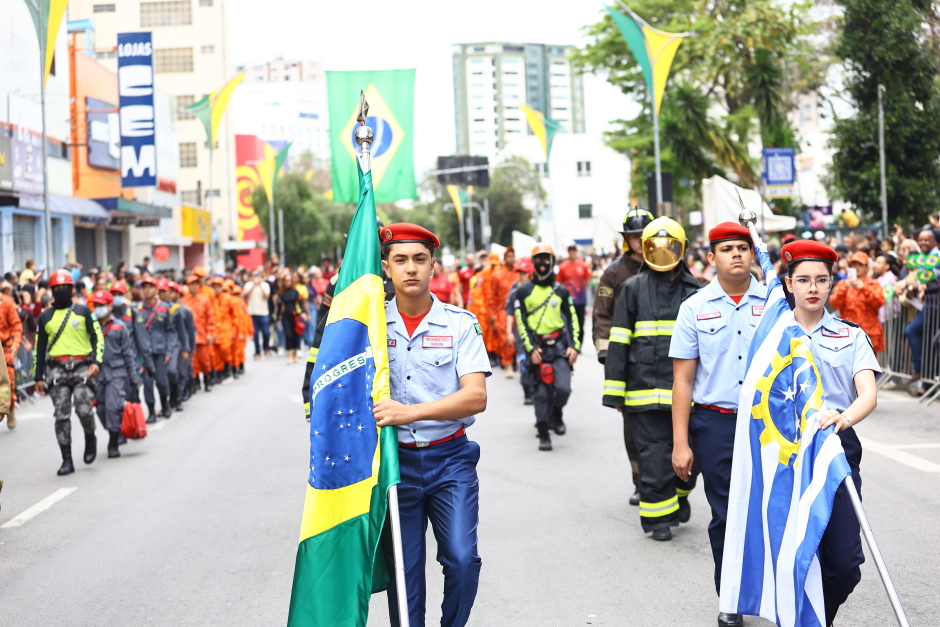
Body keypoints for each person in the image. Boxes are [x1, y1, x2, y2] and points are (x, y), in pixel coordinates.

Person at [372, 223, 490, 627]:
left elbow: (476, 396)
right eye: (400, 260)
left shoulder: (460, 323)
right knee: (404, 578)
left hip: (450, 460)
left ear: (433, 267)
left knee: (461, 559)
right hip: (392, 464)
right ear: (386, 267)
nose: (411, 269)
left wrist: (411, 413)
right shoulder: (370, 329)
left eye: (419, 259)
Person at [668, 223, 766, 626]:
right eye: (727, 249)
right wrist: (680, 443)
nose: (737, 255)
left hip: (768, 423)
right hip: (716, 424)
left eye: (743, 247)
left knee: (767, 510)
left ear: (754, 254)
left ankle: (773, 592)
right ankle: (731, 597)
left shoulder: (777, 301)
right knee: (728, 513)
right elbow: (683, 380)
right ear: (711, 258)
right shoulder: (694, 308)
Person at [778, 239, 880, 626]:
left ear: (831, 282)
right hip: (784, 449)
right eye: (803, 279)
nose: (812, 287)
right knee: (792, 553)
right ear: (789, 284)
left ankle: (817, 619)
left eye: (821, 279)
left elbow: (867, 393)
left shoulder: (850, 335)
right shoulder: (772, 338)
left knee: (844, 563)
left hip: (836, 447)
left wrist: (843, 419)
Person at [602, 217, 701, 541]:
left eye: (668, 245)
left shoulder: (697, 292)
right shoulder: (631, 289)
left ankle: (680, 494)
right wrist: (615, 393)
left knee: (693, 456)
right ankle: (658, 520)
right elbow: (618, 342)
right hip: (643, 393)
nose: (661, 252)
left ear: (681, 248)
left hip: (688, 393)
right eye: (654, 246)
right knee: (654, 457)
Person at [592, 208, 653, 505]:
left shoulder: (669, 266)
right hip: (627, 361)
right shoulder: (613, 273)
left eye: (644, 236)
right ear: (626, 240)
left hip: (665, 360)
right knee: (634, 424)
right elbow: (602, 315)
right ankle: (641, 480)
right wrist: (606, 354)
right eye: (634, 237)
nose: (640, 241)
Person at [32, 269, 104, 475]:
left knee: (84, 411)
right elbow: (39, 348)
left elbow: (97, 337)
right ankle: (67, 460)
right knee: (61, 417)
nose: (62, 290)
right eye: (58, 288)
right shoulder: (45, 316)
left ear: (72, 289)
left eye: (65, 287)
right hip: (57, 371)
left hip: (82, 367)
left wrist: (97, 362)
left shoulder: (83, 311)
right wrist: (38, 376)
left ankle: (90, 436)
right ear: (52, 290)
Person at [513, 244, 581, 451]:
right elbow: (520, 321)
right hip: (537, 349)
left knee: (563, 389)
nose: (543, 263)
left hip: (559, 347)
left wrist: (575, 346)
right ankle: (544, 433)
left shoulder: (561, 291)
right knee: (541, 395)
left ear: (552, 262)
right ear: (533, 263)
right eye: (539, 259)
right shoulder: (523, 291)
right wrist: (530, 348)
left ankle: (556, 414)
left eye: (547, 259)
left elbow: (572, 319)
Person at [89, 290, 139, 458]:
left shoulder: (120, 325)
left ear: (110, 306)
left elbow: (128, 353)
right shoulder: (91, 327)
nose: (98, 308)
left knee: (112, 407)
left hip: (117, 372)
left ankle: (113, 441)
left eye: (101, 305)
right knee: (101, 409)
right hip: (99, 374)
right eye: (95, 305)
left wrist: (133, 376)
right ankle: (115, 431)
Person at [135, 276, 179, 422]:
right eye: (144, 287)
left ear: (156, 290)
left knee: (161, 381)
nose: (147, 290)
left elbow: (171, 331)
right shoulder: (137, 309)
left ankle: (165, 404)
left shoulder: (165, 307)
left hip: (160, 352)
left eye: (150, 287)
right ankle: (152, 411)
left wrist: (169, 352)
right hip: (145, 353)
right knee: (147, 383)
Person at [829, 251, 886, 353]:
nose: (857, 267)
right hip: (848, 333)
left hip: (870, 332)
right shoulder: (843, 284)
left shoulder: (873, 284)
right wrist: (845, 287)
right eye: (854, 264)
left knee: (871, 366)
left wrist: (864, 288)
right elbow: (834, 303)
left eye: (860, 265)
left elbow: (879, 302)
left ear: (866, 267)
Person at [481, 251, 516, 377]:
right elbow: (491, 296)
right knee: (504, 338)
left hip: (518, 309)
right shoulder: (497, 274)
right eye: (509, 256)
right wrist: (492, 314)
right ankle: (508, 365)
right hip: (503, 310)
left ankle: (517, 361)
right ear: (505, 258)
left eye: (513, 256)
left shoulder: (518, 272)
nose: (512, 259)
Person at [184, 275, 216, 393]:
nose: (194, 287)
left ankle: (207, 380)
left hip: (203, 336)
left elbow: (210, 317)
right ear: (188, 286)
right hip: (189, 338)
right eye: (191, 284)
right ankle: (195, 383)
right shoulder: (184, 300)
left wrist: (211, 332)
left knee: (205, 361)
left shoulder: (205, 300)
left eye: (196, 284)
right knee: (193, 363)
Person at [556, 244, 592, 345]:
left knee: (580, 322)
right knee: (568, 322)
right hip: (567, 300)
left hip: (580, 300)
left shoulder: (583, 265)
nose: (572, 253)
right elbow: (559, 282)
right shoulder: (563, 266)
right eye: (570, 251)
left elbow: (587, 281)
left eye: (574, 251)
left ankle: (578, 344)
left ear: (576, 252)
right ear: (568, 252)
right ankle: (569, 342)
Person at [0, 285, 22, 421]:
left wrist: (16, 344)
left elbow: (16, 326)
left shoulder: (6, 303)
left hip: (5, 348)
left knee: (8, 382)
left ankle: (10, 407)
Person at [243, 270, 271, 359]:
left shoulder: (265, 285)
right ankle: (257, 352)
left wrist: (260, 284)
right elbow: (245, 294)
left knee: (266, 333)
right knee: (255, 334)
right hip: (252, 312)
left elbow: (266, 295)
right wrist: (254, 285)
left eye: (258, 275)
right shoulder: (248, 285)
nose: (256, 277)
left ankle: (266, 348)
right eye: (255, 275)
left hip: (263, 312)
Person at [278, 273, 302, 364]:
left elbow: (300, 303)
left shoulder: (295, 291)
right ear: (283, 282)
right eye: (286, 280)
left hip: (295, 315)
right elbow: (279, 306)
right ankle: (290, 355)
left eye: (289, 280)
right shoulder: (281, 292)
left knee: (295, 334)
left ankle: (295, 352)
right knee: (288, 335)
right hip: (285, 316)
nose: (288, 282)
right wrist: (277, 317)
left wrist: (302, 312)